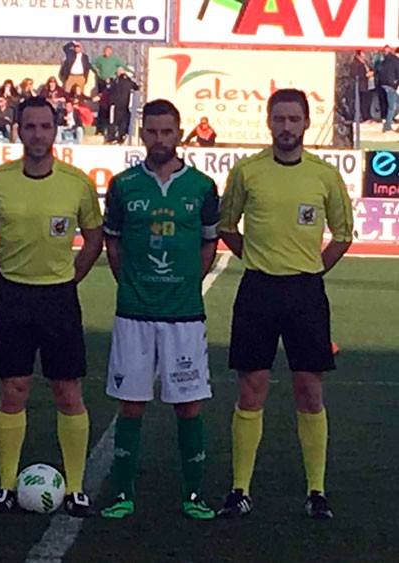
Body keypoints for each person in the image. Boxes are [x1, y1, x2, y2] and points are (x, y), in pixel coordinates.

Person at [216, 89, 354, 520]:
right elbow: (227, 226)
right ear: (269, 122)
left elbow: (343, 235)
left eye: (294, 119)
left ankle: (316, 491)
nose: (286, 127)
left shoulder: (324, 175)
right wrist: (258, 260)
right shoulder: (247, 171)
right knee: (251, 388)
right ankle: (240, 489)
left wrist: (310, 269)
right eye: (279, 119)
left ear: (306, 123)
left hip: (305, 293)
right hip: (258, 290)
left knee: (309, 389)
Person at [0, 97, 104, 517]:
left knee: (68, 391)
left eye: (44, 126)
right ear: (18, 130)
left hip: (59, 298)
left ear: (55, 130)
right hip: (14, 297)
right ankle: (7, 485)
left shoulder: (77, 182)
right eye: (28, 126)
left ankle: (77, 487)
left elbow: (94, 238)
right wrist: (0, 282)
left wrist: (70, 277)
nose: (37, 134)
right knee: (14, 390)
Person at [100, 99, 219, 521]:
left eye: (167, 131)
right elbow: (112, 242)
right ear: (142, 133)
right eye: (151, 131)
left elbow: (209, 243)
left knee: (188, 404)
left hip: (184, 314)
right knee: (131, 404)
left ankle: (193, 495)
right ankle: (122, 494)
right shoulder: (123, 185)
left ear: (179, 132)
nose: (159, 139)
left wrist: (189, 281)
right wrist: (129, 282)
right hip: (133, 312)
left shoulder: (202, 187)